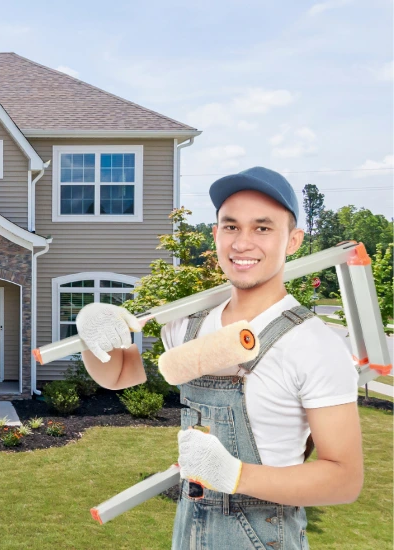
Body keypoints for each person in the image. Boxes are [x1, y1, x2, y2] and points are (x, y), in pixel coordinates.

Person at [76, 167, 363, 549]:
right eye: (231, 227)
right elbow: (118, 375)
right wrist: (90, 333)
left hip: (265, 538)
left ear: (293, 241)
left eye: (262, 228)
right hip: (191, 532)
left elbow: (344, 479)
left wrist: (236, 475)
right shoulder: (188, 326)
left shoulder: (314, 344)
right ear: (215, 235)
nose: (242, 243)